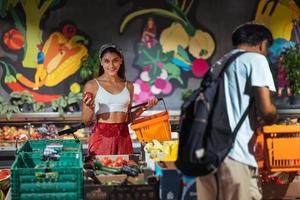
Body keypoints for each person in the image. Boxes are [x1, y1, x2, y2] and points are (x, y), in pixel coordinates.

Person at [196, 23, 277, 200]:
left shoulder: (218, 64)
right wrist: (273, 114)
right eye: (266, 49)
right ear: (262, 44)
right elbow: (266, 111)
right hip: (233, 154)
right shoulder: (256, 59)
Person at [81, 43, 158, 155]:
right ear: (101, 62)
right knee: (103, 171)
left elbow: (127, 119)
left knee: (126, 171)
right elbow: (85, 122)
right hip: (101, 139)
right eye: (107, 61)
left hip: (123, 138)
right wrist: (90, 107)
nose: (111, 65)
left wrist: (144, 108)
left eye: (115, 60)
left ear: (121, 61)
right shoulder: (92, 85)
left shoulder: (129, 86)